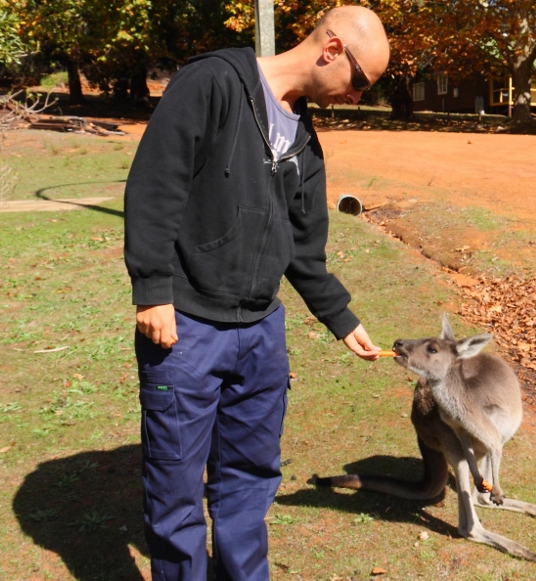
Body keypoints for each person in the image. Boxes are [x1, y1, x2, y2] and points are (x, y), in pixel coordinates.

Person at [123, 5, 390, 579]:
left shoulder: (305, 140)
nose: (358, 96)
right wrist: (153, 290)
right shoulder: (214, 82)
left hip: (261, 333)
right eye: (362, 82)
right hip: (188, 327)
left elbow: (303, 247)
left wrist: (340, 317)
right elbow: (155, 184)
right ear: (333, 49)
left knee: (249, 479)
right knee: (174, 487)